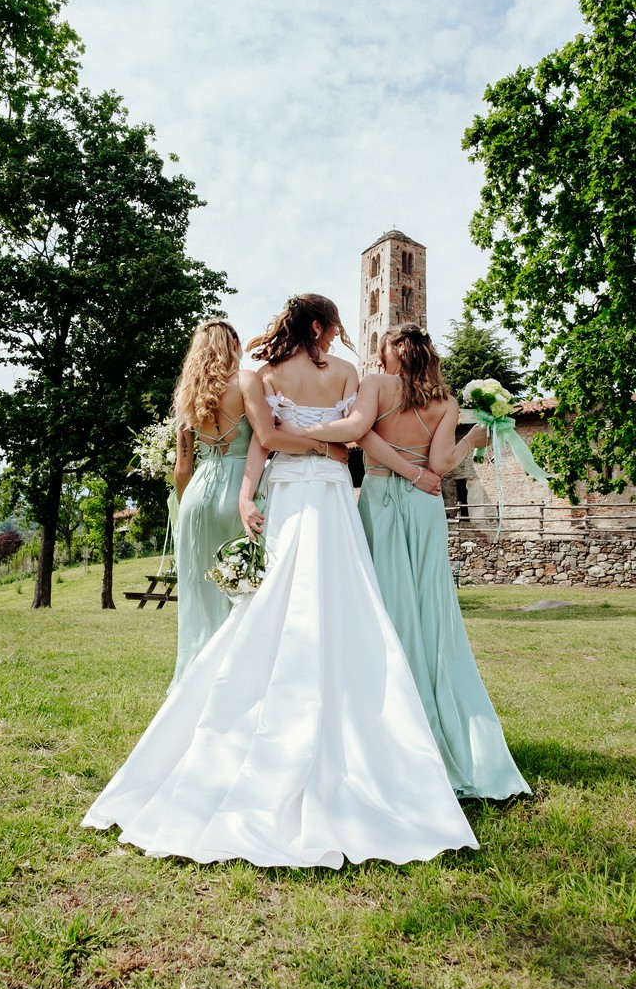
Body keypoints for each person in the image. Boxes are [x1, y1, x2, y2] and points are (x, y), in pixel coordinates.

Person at [82, 298, 478, 867]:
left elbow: (267, 442)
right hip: (325, 487)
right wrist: (304, 456)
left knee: (323, 600)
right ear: (318, 327)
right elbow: (336, 437)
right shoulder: (342, 374)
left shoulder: (267, 374)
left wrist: (254, 487)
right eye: (334, 326)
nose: (339, 335)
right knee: (299, 601)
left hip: (294, 488)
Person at [285, 322, 530, 800]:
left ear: (393, 354)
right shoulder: (446, 401)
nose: (378, 361)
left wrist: (405, 472)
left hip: (379, 498)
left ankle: (388, 719)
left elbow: (361, 436)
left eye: (382, 353)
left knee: (381, 604)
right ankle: (437, 719)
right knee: (429, 610)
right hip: (424, 506)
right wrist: (468, 444)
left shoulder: (375, 385)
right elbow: (440, 466)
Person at [171, 318, 348, 688]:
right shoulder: (245, 381)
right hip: (240, 489)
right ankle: (234, 681)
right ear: (234, 345)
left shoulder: (187, 393)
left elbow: (182, 468)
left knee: (198, 595)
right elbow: (268, 436)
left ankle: (192, 683)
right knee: (244, 590)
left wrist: (187, 507)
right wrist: (321, 447)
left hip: (196, 497)